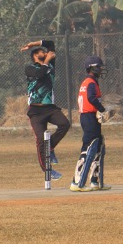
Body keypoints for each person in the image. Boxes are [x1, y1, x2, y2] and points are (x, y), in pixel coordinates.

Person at [23, 39, 71, 187]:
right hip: (35, 111)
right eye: (42, 52)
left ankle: (50, 147)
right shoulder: (30, 68)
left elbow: (50, 43)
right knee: (40, 139)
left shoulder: (50, 65)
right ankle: (48, 170)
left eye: (45, 52)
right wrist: (46, 61)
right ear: (35, 56)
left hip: (50, 108)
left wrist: (34, 44)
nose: (45, 52)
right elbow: (40, 75)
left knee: (64, 124)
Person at [70, 55, 110, 192]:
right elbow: (91, 98)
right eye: (99, 67)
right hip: (89, 117)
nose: (101, 69)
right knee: (89, 146)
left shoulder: (88, 82)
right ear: (92, 68)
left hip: (89, 117)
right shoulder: (90, 82)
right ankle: (77, 182)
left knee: (98, 146)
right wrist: (102, 109)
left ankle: (94, 181)